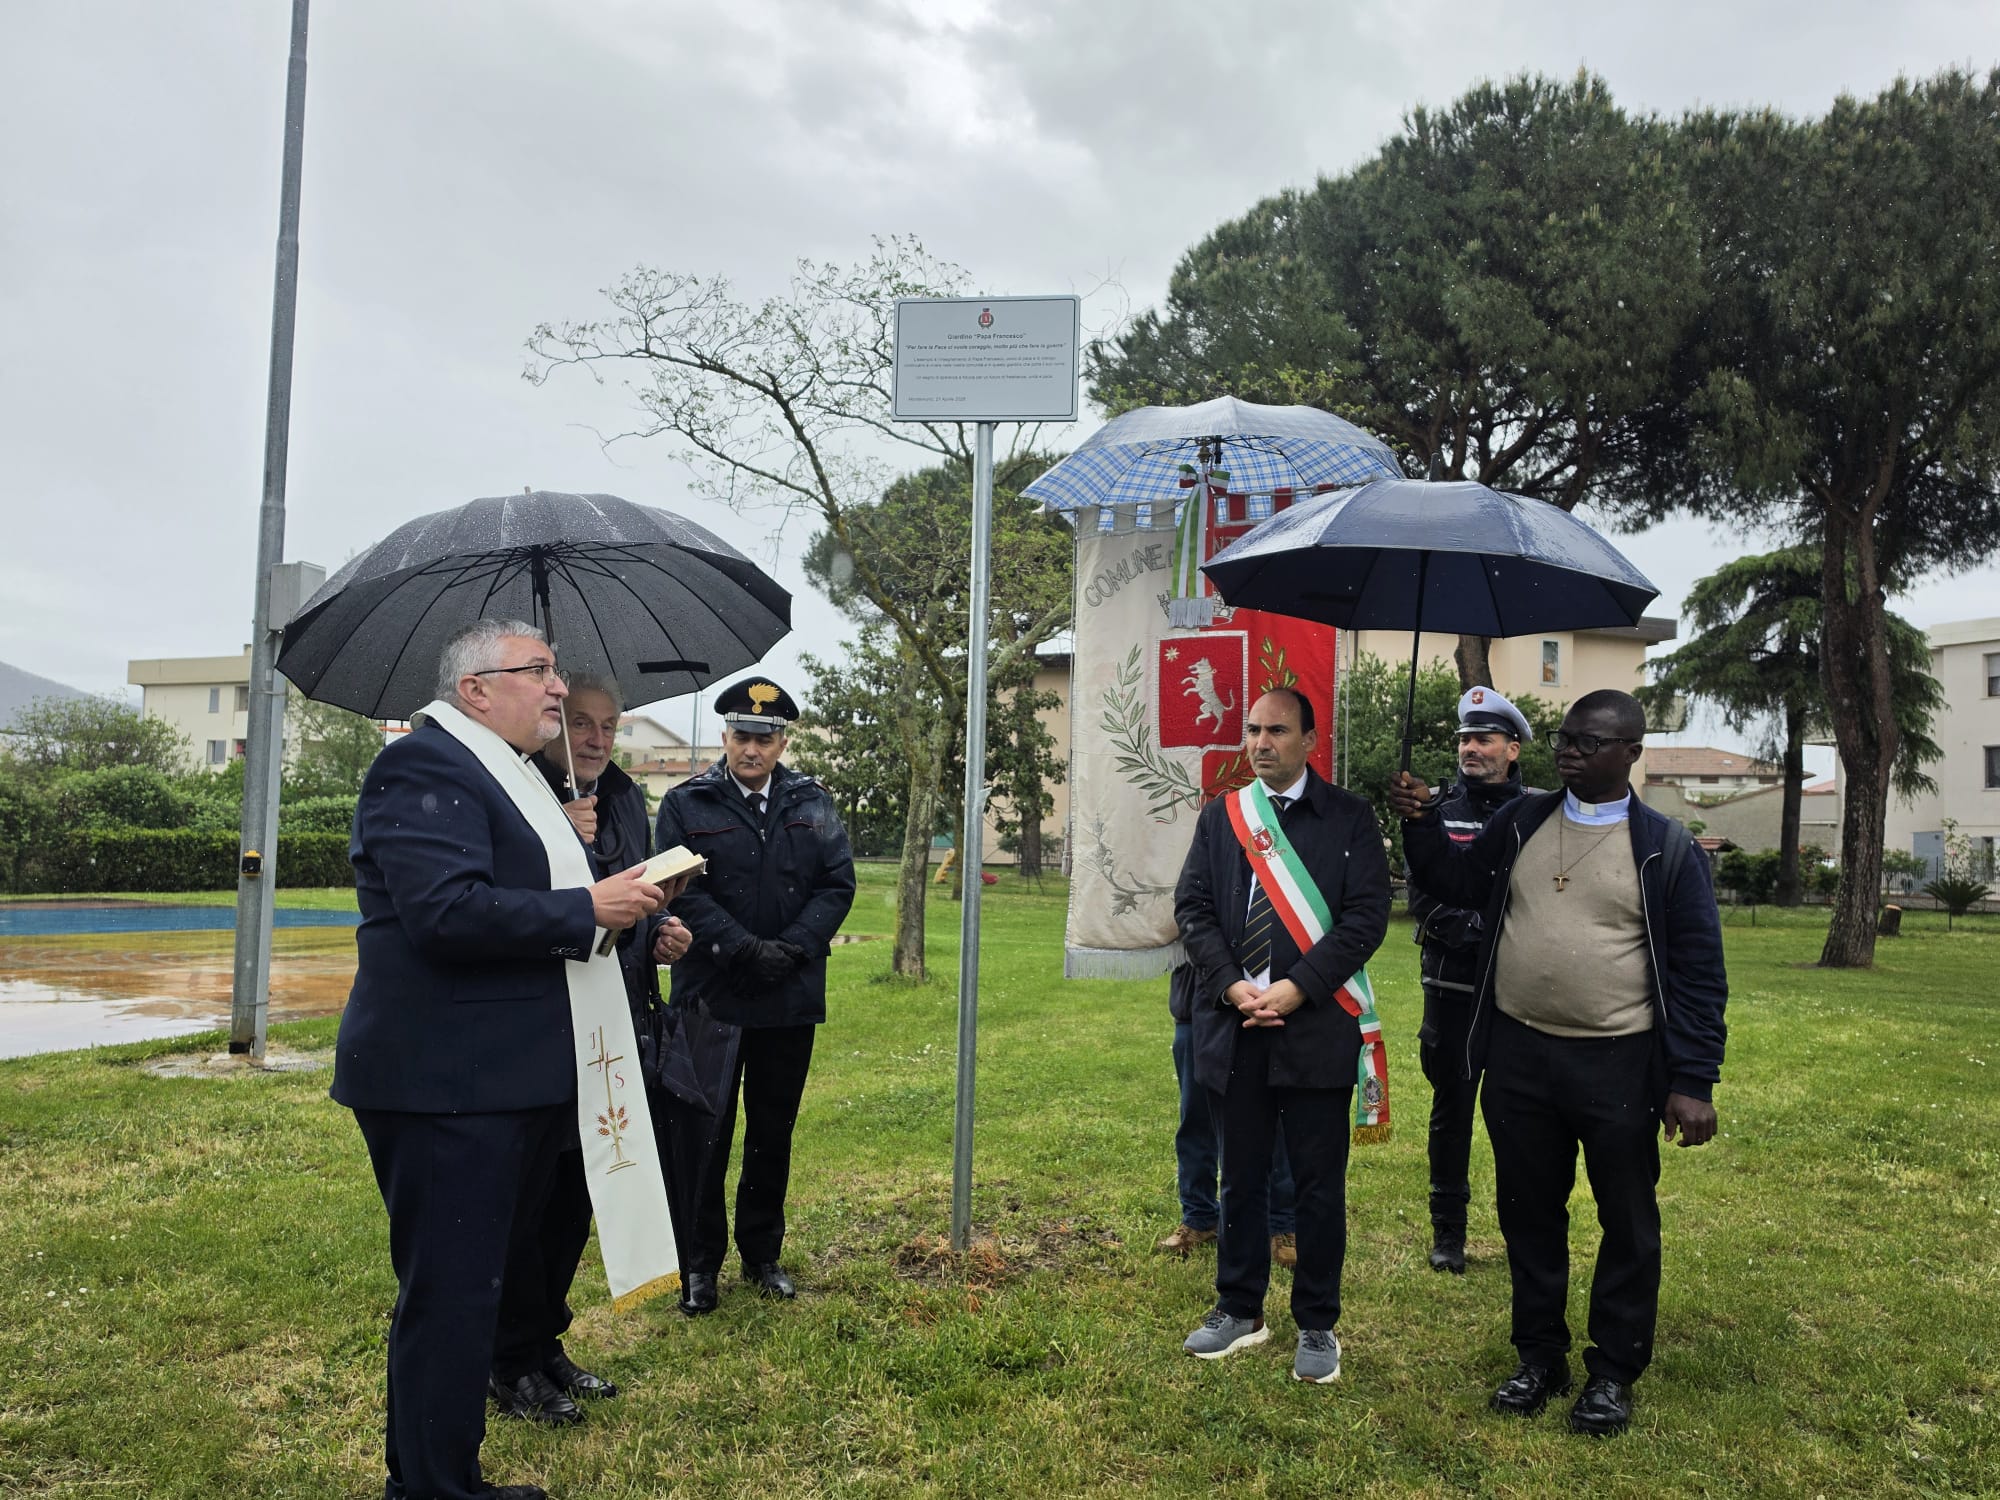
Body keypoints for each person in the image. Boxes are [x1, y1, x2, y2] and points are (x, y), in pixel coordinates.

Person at [331, 620, 669, 1500]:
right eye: (539, 672)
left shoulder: (512, 774)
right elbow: (446, 914)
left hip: (502, 1080)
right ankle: (436, 1487)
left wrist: (596, 882)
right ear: (475, 688)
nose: (559, 690)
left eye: (557, 672)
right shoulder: (422, 765)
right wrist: (585, 906)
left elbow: (512, 889)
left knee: (474, 1289)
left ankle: (443, 1474)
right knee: (447, 1298)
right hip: (446, 1084)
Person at [1387, 688, 1727, 1437]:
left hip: (1620, 1061)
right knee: (1529, 1213)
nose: (1569, 751)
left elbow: (1700, 973)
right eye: (1565, 738)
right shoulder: (1522, 821)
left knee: (1626, 1220)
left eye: (1589, 741)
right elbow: (1455, 883)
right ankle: (1539, 1356)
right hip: (1521, 1056)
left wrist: (1693, 1080)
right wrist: (1418, 824)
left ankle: (1612, 1371)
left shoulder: (1665, 848)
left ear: (1631, 753)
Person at [487, 675, 694, 1426]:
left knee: (579, 1195)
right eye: (581, 722)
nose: (597, 738)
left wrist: (659, 936)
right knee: (529, 1202)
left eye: (609, 725)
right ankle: (507, 1362)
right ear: (552, 722)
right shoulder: (515, 792)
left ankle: (546, 1343)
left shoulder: (631, 799)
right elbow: (500, 909)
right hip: (544, 1030)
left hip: (615, 1030)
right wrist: (554, 842)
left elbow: (626, 903)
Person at [1173, 688, 1391, 1384]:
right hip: (1237, 1026)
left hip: (1317, 1027)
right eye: (1252, 730)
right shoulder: (1223, 816)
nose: (1260, 743)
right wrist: (1235, 985)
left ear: (1309, 740)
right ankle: (1239, 1309)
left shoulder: (1350, 818)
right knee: (1239, 1178)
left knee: (1318, 1188)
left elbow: (1366, 918)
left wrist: (1296, 988)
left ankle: (1318, 1324)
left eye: (1276, 731)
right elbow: (1194, 906)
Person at [654, 676, 856, 1314]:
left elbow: (836, 885)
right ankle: (698, 1265)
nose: (752, 750)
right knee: (703, 1135)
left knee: (773, 1131)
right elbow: (680, 888)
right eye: (742, 736)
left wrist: (792, 949)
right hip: (711, 994)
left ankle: (762, 1255)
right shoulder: (687, 804)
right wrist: (741, 948)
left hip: (787, 997)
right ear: (724, 737)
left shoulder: (813, 801)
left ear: (782, 741)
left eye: (765, 739)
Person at [1407, 687, 1534, 1275]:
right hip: (1451, 987)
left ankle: (1523, 1227)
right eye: (1464, 738)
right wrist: (1479, 927)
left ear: (1512, 748)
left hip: (1517, 991)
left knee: (1518, 1117)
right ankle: (1448, 1233)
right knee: (1451, 1111)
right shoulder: (1429, 808)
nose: (1471, 748)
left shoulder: (1540, 811)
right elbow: (1424, 895)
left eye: (1484, 739)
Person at [1158, 962, 1302, 1270]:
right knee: (1196, 1119)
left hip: (1267, 999)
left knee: (1274, 1119)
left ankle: (1282, 1224)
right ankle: (1199, 1216)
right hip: (1197, 1003)